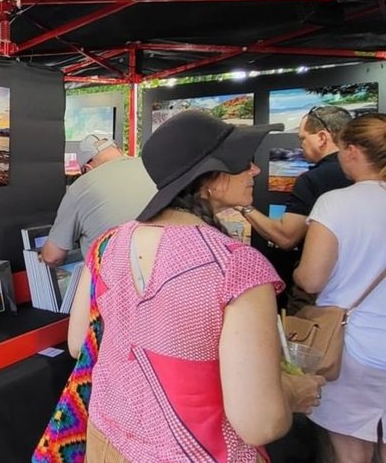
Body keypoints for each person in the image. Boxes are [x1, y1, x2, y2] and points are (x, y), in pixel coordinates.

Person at [65, 111, 324, 461]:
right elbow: (259, 423)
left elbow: (79, 341)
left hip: (107, 440)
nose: (255, 170)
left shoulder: (107, 244)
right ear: (210, 179)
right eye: (244, 162)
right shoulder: (237, 267)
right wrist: (294, 391)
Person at [293, 113, 386, 463]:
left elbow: (312, 278)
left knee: (348, 449)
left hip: (352, 347)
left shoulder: (336, 203)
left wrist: (300, 275)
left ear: (351, 151)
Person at [240, 106, 352, 300]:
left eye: (303, 138)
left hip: (323, 296)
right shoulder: (366, 179)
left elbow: (285, 237)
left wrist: (243, 206)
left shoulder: (313, 179)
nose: (300, 145)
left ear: (322, 137)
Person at [40, 132, 155, 266]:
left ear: (88, 169)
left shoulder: (82, 186)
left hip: (115, 279)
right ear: (118, 151)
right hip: (167, 272)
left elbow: (52, 257)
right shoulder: (153, 168)